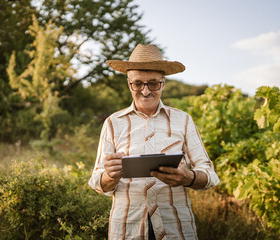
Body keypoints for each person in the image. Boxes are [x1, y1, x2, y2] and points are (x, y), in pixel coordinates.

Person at [89, 44, 219, 240]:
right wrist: (110, 176)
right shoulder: (112, 123)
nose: (146, 90)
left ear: (163, 83)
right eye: (138, 83)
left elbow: (210, 175)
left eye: (153, 83)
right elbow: (98, 182)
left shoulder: (183, 120)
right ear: (129, 84)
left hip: (176, 229)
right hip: (127, 229)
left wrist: (188, 178)